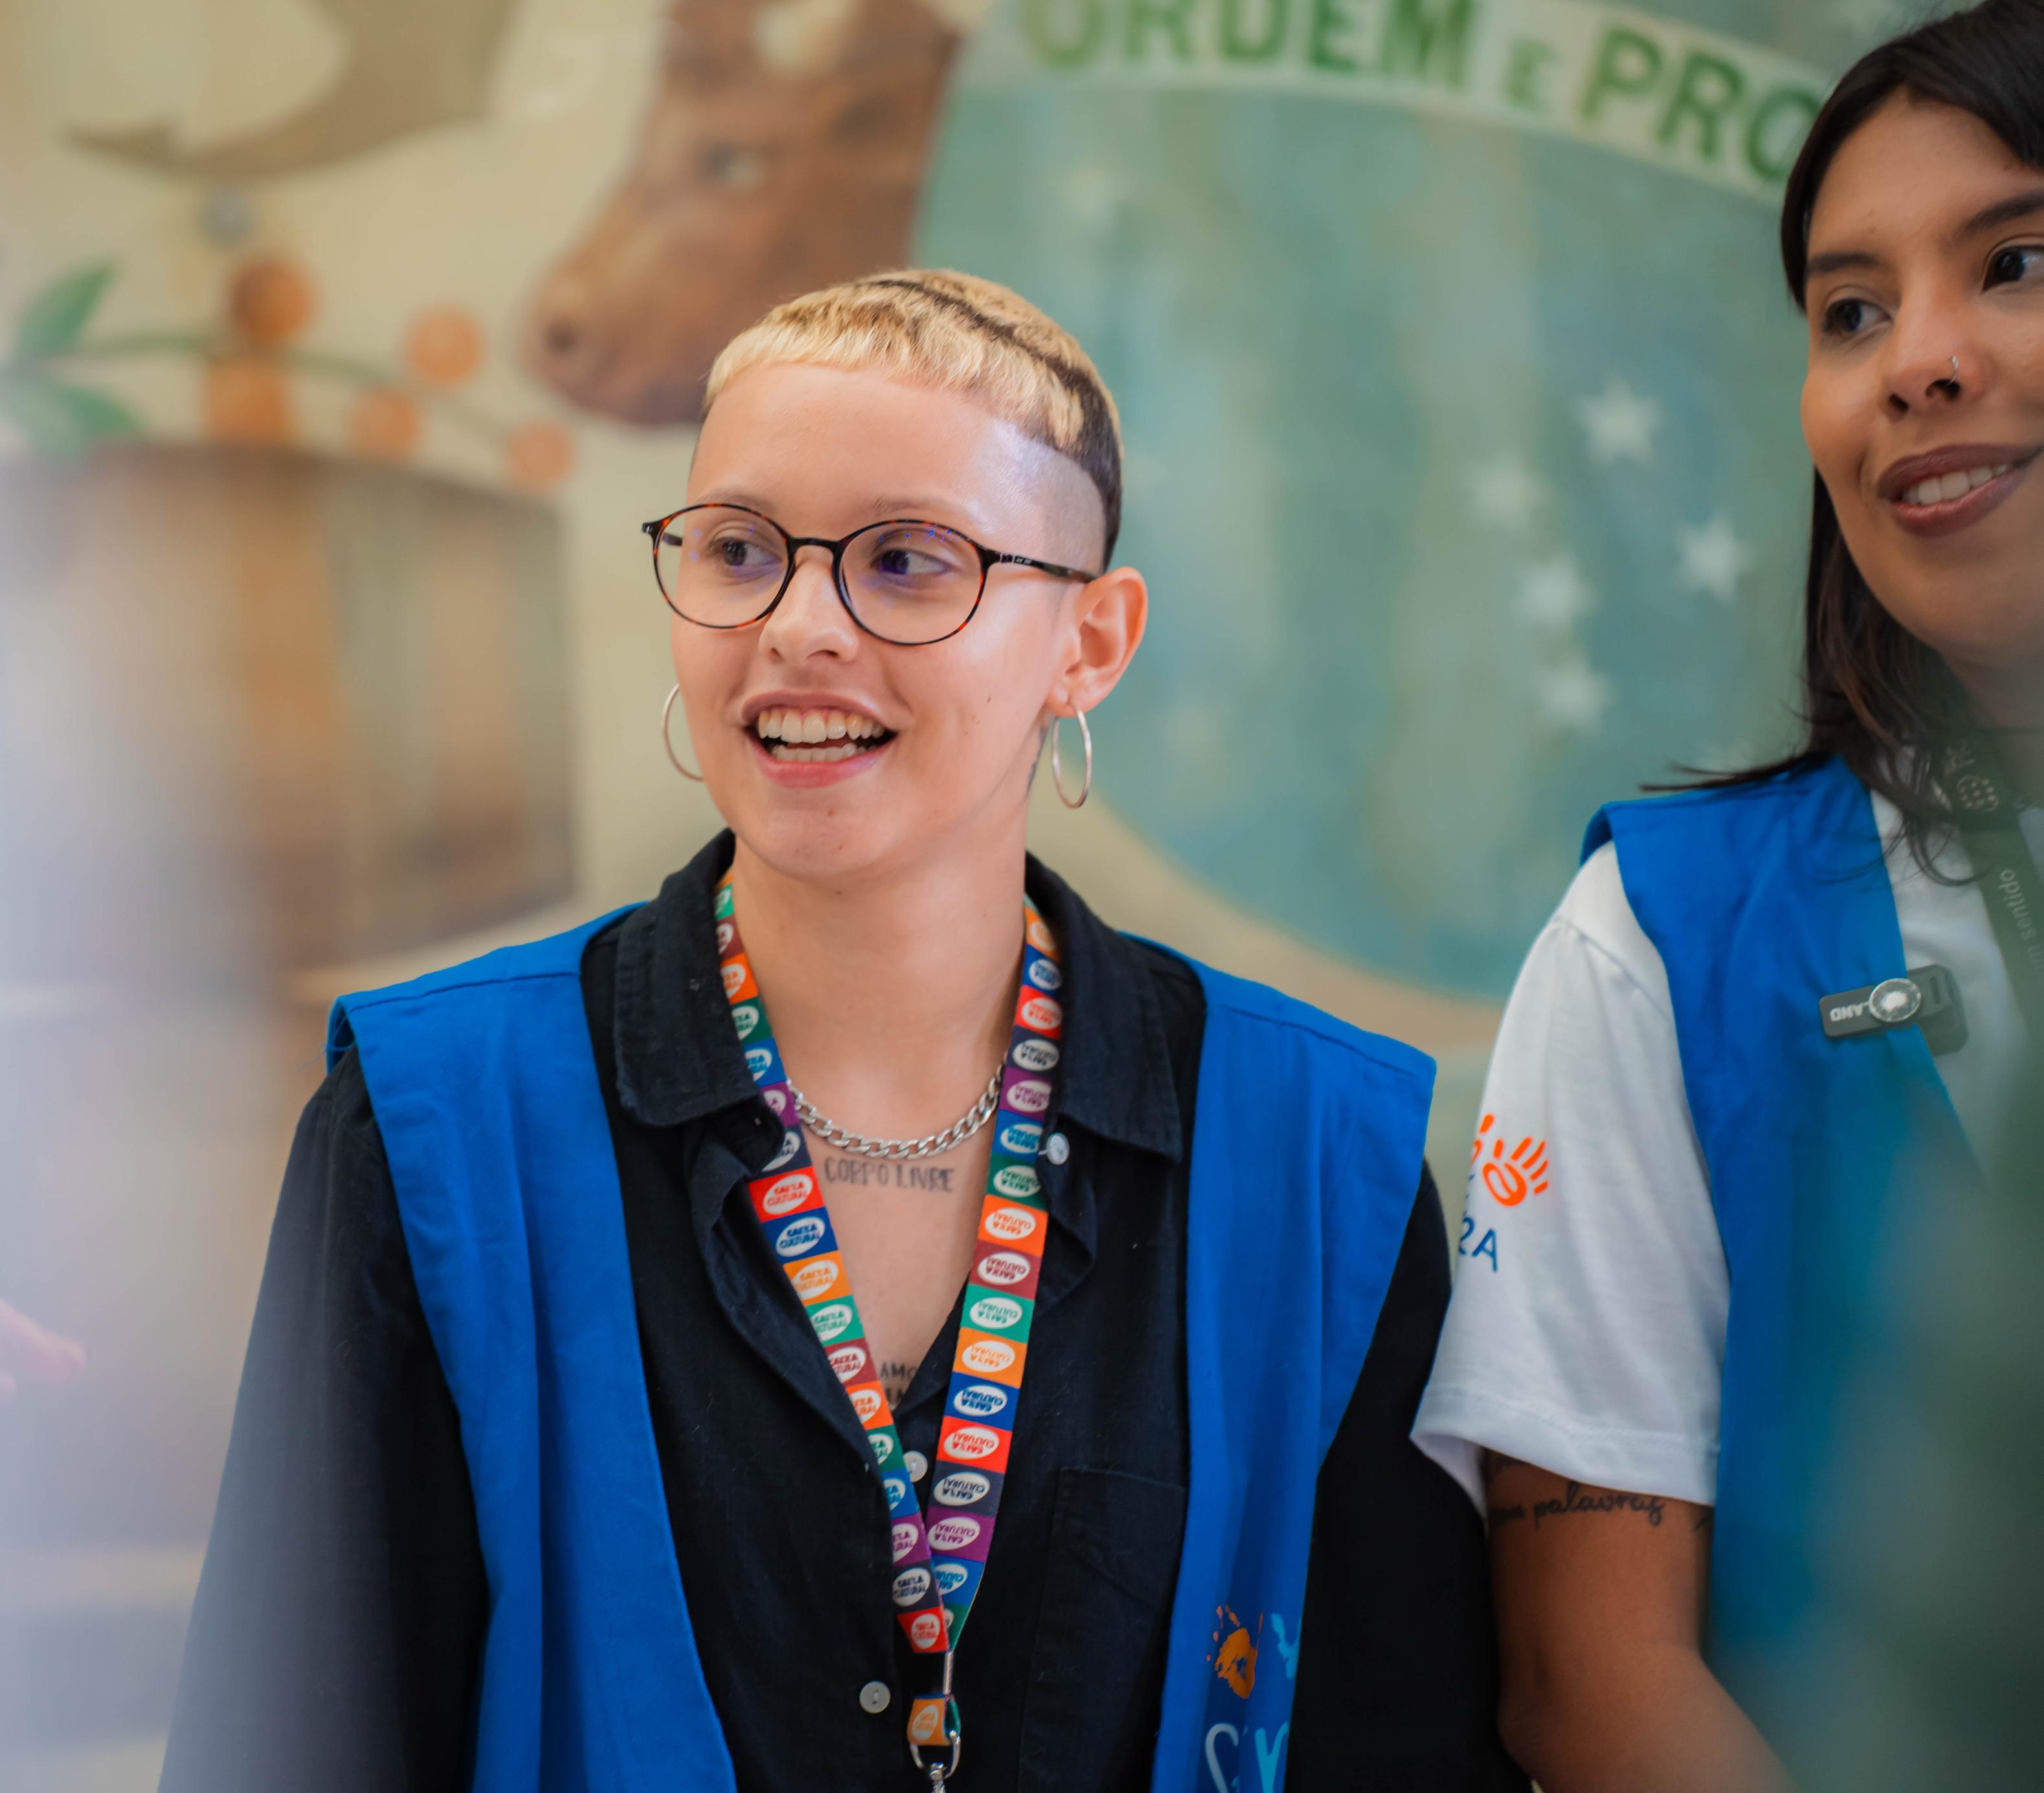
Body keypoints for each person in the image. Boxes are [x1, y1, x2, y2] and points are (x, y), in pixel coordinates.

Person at [160, 271, 1520, 1792]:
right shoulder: (433, 1127)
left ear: (1090, 641)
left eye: (908, 560)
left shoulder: (1318, 1158)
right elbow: (289, 1751)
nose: (799, 627)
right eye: (738, 549)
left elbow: (1402, 1752)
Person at [1411, 4, 2044, 1787]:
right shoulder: (1662, 939)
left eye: (2015, 261)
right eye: (1850, 310)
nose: (1915, 362)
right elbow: (1591, 1680)